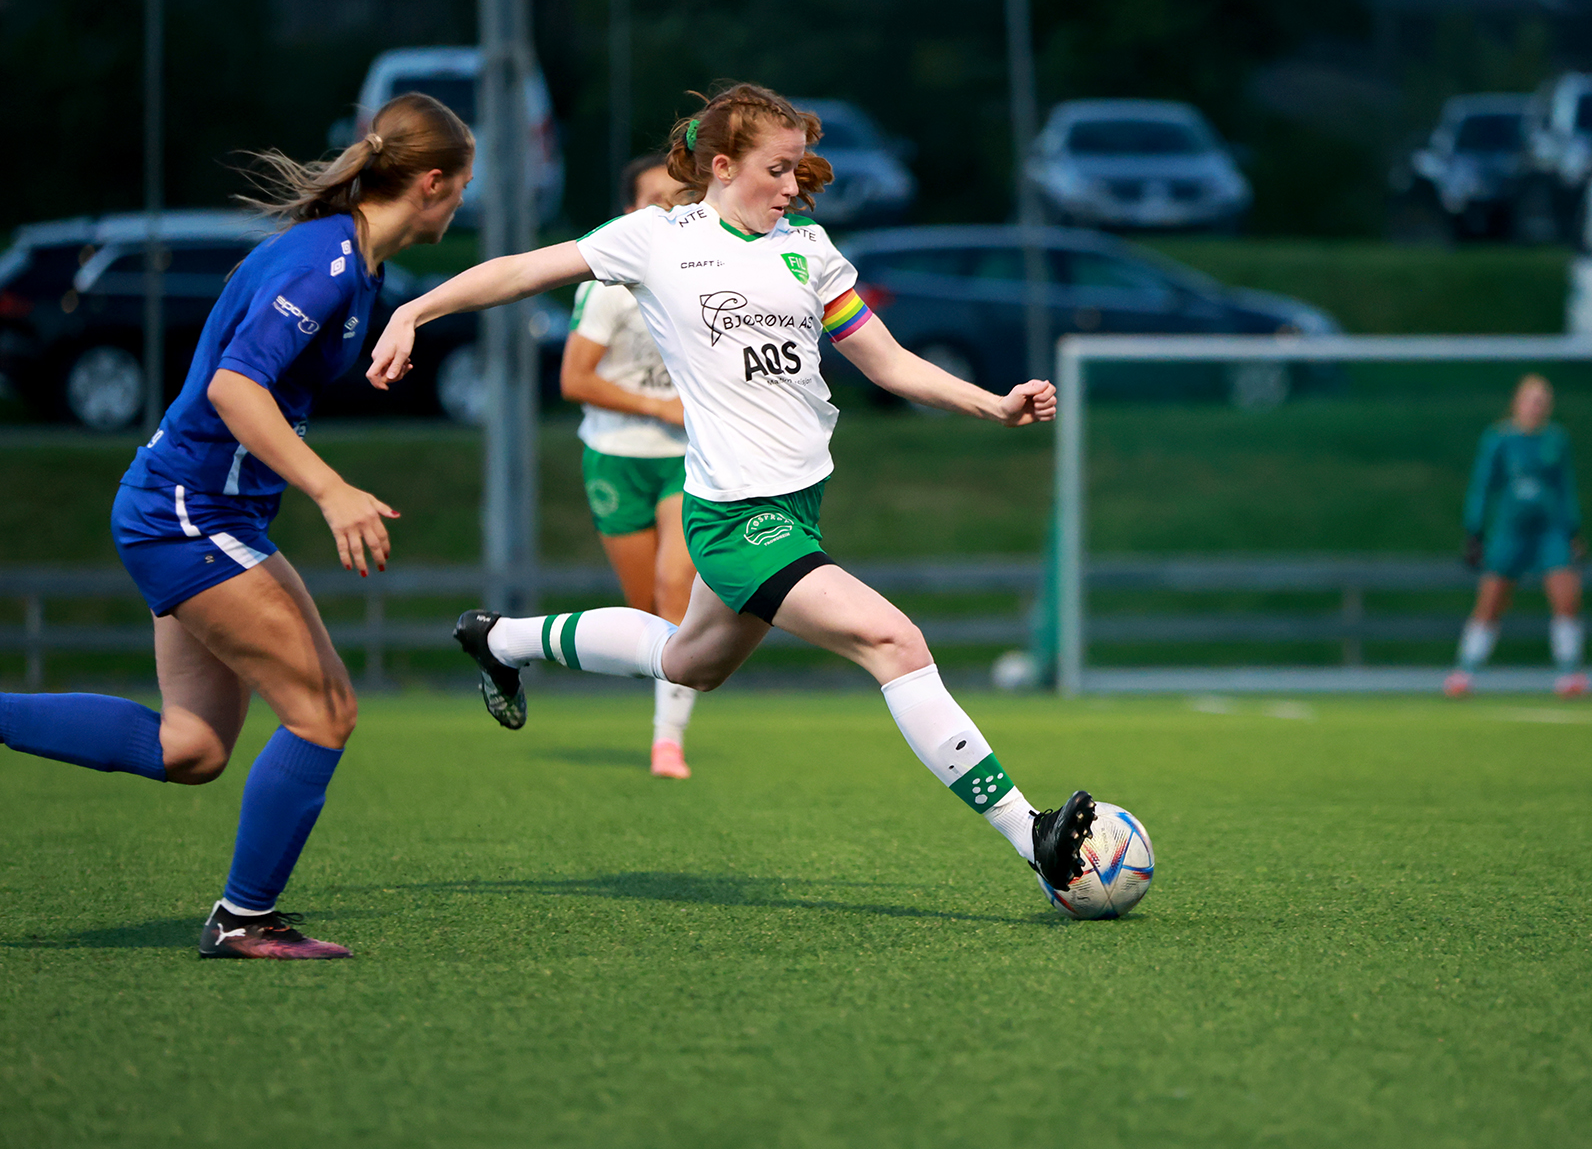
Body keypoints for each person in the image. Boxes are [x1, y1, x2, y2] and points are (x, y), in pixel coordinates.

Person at [368, 83, 1098, 894]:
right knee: (895, 642)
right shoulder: (658, 238)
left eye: (798, 170)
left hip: (796, 505)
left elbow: (887, 363)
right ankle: (1034, 842)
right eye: (779, 169)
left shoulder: (809, 251)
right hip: (736, 515)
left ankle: (498, 640)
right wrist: (416, 312)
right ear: (723, 165)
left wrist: (990, 404)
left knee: (688, 664)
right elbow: (523, 271)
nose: (794, 186)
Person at [0, 93, 474, 958]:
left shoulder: (350, 265)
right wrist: (333, 492)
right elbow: (233, 388)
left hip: (198, 511)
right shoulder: (327, 262)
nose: (463, 204)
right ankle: (244, 919)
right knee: (325, 711)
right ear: (434, 183)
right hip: (190, 513)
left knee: (193, 747)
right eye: (463, 187)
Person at [561, 155, 699, 778]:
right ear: (627, 212)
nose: (665, 211)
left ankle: (667, 740)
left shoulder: (702, 277)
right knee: (645, 607)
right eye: (652, 200)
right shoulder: (606, 286)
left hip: (684, 461)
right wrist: (655, 404)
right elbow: (573, 378)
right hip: (615, 459)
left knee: (677, 590)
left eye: (677, 200)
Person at [1445, 373, 1588, 698]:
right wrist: (1474, 532)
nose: (1537, 407)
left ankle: (1570, 674)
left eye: (1543, 402)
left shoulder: (1556, 439)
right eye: (1531, 400)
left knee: (1567, 597)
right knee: (1492, 600)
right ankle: (1463, 672)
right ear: (1517, 403)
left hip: (1549, 531)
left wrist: (1573, 530)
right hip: (1511, 531)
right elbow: (1482, 486)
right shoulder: (1499, 439)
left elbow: (1565, 488)